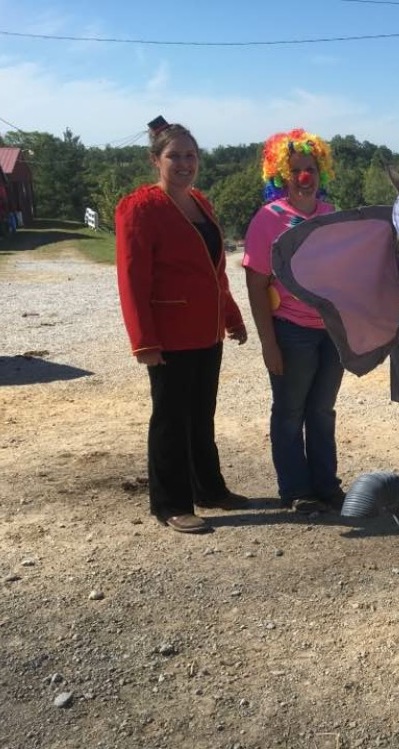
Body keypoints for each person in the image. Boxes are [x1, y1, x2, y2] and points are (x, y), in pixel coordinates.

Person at [115, 117, 249, 534]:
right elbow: (132, 280)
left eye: (191, 155)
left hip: (207, 331)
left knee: (201, 416)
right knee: (171, 420)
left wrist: (231, 316)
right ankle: (170, 503)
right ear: (155, 160)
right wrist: (144, 342)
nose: (185, 163)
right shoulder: (140, 208)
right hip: (169, 335)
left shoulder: (201, 203)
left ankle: (208, 488)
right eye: (175, 156)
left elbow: (215, 271)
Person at [243, 129, 345, 514]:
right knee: (289, 413)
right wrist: (268, 343)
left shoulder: (331, 215)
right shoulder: (268, 219)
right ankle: (296, 490)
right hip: (290, 331)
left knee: (322, 411)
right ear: (281, 175)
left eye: (311, 169)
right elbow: (256, 284)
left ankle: (326, 485)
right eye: (296, 170)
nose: (305, 177)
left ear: (322, 172)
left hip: (330, 332)